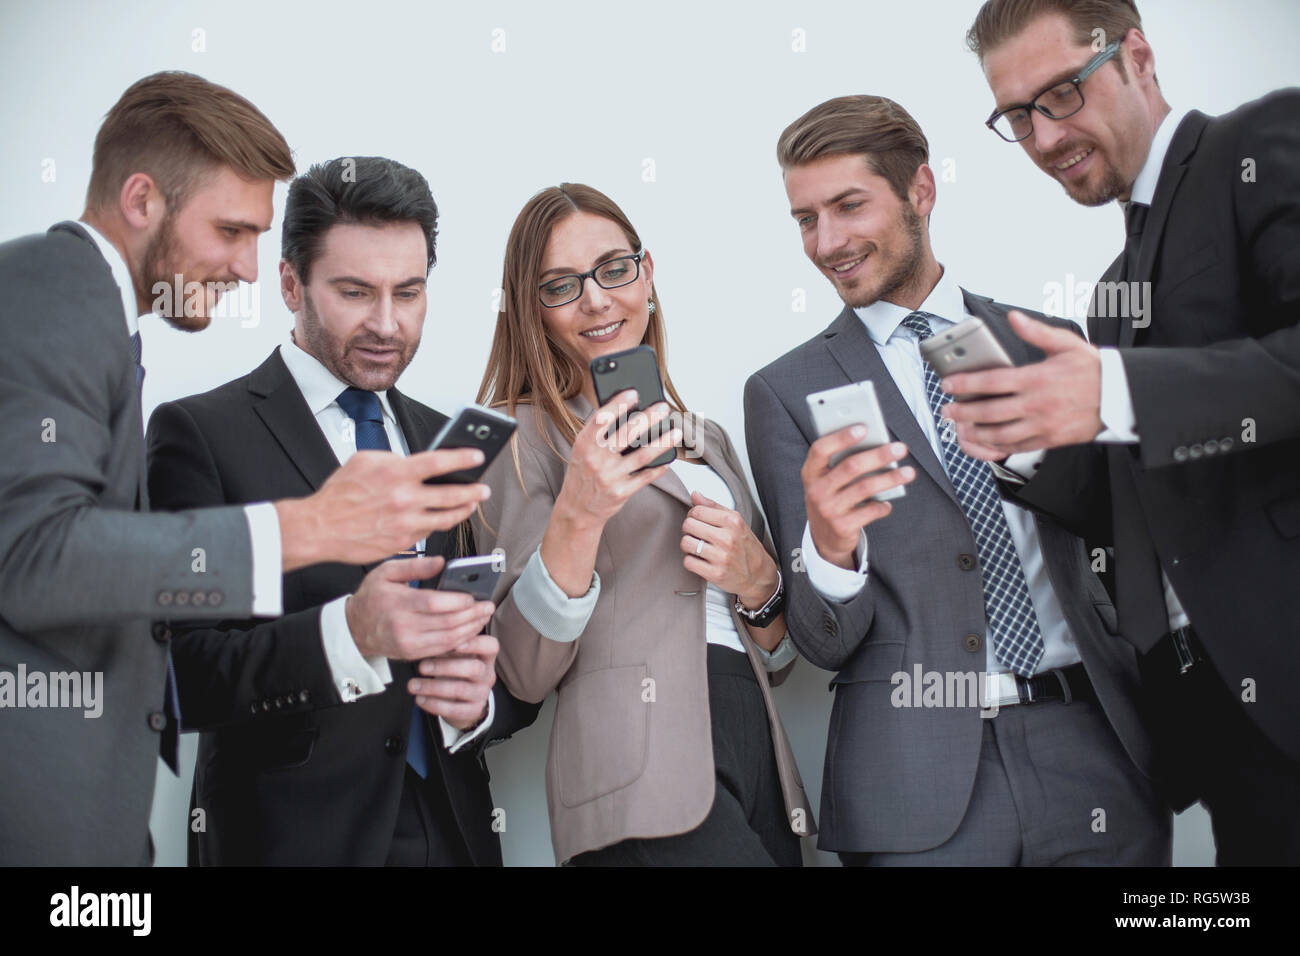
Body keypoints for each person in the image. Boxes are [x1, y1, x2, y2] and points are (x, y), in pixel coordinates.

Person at [0, 73, 479, 866]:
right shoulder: (59, 290)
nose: (249, 270)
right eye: (230, 230)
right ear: (143, 200)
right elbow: (35, 558)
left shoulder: (114, 332)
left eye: (409, 291)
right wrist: (309, 532)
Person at [744, 94, 1170, 865]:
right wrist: (832, 552)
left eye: (847, 206)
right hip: (911, 787)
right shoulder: (784, 391)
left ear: (921, 192)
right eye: (806, 219)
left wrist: (1035, 456)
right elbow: (820, 641)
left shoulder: (1047, 344)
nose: (827, 243)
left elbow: (1126, 536)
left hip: (1093, 750)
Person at [950, 0, 1300, 865]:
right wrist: (1024, 441)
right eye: (1017, 115)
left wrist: (1113, 388)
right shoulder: (1111, 290)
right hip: (1217, 721)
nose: (1041, 137)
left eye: (1061, 94)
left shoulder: (1258, 144)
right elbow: (1135, 505)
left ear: (1137, 56)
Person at [146, 156, 540, 865]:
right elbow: (181, 677)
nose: (387, 324)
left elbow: (493, 653)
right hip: (290, 841)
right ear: (291, 283)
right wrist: (349, 632)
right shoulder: (199, 433)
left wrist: (478, 703)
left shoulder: (442, 437)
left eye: (410, 292)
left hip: (454, 832)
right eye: (356, 292)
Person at [470, 183, 814, 866]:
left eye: (613, 269)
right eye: (560, 286)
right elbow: (522, 669)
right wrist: (579, 510)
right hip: (634, 760)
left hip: (755, 747)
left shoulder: (705, 439)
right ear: (531, 311)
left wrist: (761, 582)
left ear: (646, 274)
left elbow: (778, 658)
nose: (597, 299)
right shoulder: (516, 435)